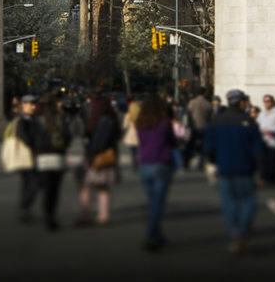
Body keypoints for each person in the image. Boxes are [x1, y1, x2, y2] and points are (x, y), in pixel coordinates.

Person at [204, 90, 269, 251]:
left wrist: (215, 161)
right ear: (241, 102)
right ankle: (243, 230)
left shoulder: (217, 121)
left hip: (225, 169)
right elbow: (258, 149)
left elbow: (208, 148)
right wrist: (261, 171)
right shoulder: (249, 121)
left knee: (229, 203)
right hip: (245, 168)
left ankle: (235, 233)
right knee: (249, 202)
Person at [13, 95, 69, 231]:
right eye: (30, 104)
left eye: (34, 104)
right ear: (23, 105)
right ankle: (31, 209)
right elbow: (24, 137)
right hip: (32, 158)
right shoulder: (24, 120)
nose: (32, 106)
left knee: (41, 186)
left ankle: (34, 210)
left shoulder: (37, 119)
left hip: (40, 157)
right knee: (36, 186)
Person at [130, 93, 177, 251]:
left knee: (153, 203)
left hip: (145, 163)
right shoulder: (164, 123)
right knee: (157, 204)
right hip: (162, 163)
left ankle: (157, 234)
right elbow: (172, 142)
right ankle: (151, 236)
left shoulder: (140, 123)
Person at [77, 94, 120, 227]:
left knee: (86, 186)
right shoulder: (112, 120)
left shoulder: (98, 121)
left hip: (96, 157)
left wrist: (90, 155)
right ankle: (103, 215)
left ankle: (86, 215)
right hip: (107, 158)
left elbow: (97, 143)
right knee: (103, 188)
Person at [254, 94, 275, 186]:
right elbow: (258, 124)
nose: (266, 103)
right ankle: (264, 179)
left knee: (272, 162)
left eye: (268, 101)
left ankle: (273, 179)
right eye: (265, 101)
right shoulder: (262, 113)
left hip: (273, 141)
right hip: (263, 141)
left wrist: (270, 131)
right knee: (263, 162)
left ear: (272, 102)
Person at [185, 89, 214, 171]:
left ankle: (186, 161)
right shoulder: (208, 104)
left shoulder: (192, 102)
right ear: (204, 93)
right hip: (204, 127)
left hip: (194, 127)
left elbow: (188, 114)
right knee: (204, 145)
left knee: (190, 145)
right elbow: (210, 117)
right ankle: (204, 161)